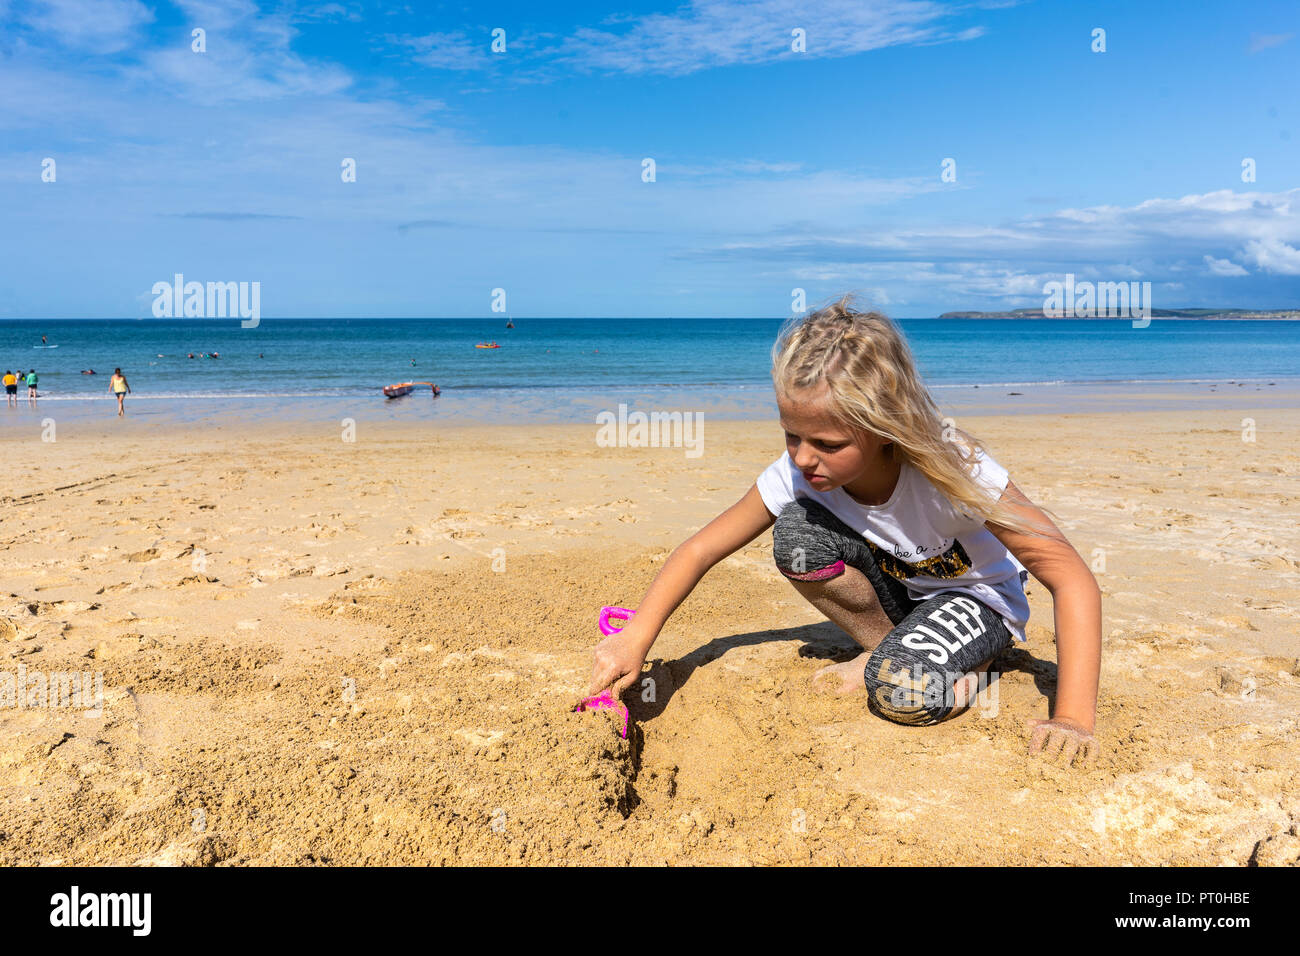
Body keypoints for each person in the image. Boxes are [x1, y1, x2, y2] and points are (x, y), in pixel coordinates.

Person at [586, 296, 1102, 767]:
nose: (804, 458)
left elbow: (1072, 579)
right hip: (906, 595)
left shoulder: (954, 468)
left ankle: (975, 662)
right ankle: (885, 646)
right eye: (792, 436)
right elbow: (701, 548)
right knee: (797, 537)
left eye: (828, 444)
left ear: (884, 428)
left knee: (900, 692)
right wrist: (635, 639)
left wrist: (1073, 718)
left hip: (978, 600)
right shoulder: (799, 472)